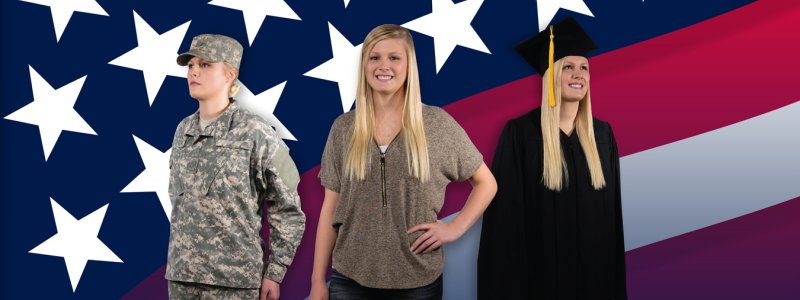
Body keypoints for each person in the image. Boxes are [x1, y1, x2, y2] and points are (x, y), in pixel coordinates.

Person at [310, 24, 497, 300]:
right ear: (364, 66)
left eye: (394, 57)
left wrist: (455, 228)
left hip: (417, 282)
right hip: (349, 281)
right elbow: (330, 208)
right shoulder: (343, 128)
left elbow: (487, 183)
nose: (383, 65)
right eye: (374, 57)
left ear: (409, 66)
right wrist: (316, 281)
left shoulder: (437, 124)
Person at [477, 17, 628, 299]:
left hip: (596, 278)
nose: (578, 74)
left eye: (584, 68)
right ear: (551, 76)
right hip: (540, 279)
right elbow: (504, 222)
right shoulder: (520, 133)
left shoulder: (602, 135)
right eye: (568, 67)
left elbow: (612, 221)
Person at [166, 34, 306, 300]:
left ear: (230, 74)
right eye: (191, 65)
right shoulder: (183, 129)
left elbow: (288, 208)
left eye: (205, 64)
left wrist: (275, 272)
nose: (194, 71)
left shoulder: (255, 131)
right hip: (182, 279)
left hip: (234, 282)